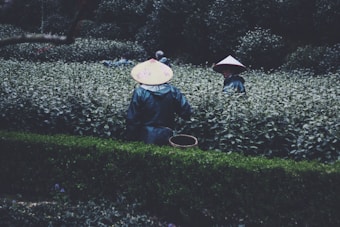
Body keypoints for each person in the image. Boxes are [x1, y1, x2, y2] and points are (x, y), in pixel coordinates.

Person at [126, 58, 192, 146]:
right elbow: (186, 112)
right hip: (167, 134)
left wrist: (132, 138)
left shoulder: (140, 92)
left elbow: (132, 119)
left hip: (146, 135)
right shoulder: (172, 91)